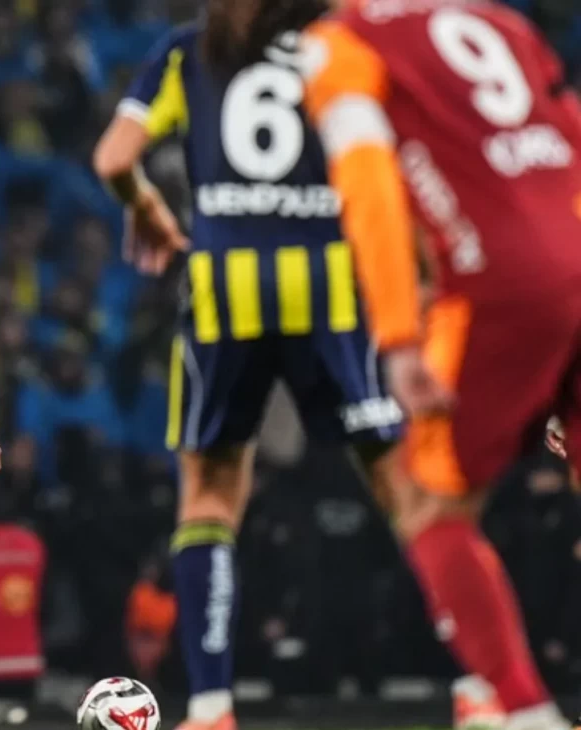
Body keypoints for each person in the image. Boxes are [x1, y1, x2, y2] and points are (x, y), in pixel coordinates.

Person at [89, 4, 502, 728]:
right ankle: (480, 687)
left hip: (225, 289)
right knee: (405, 491)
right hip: (334, 287)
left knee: (209, 498)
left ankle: (211, 707)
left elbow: (114, 159)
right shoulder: (342, 46)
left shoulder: (187, 52)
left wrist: (146, 206)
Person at [294, 1, 581, 729]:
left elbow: (368, 187)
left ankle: (524, 713)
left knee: (427, 504)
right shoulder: (503, 22)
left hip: (503, 281)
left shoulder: (343, 44)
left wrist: (397, 335)